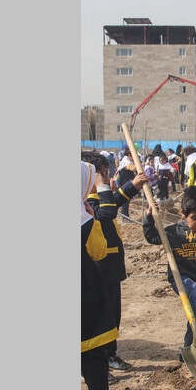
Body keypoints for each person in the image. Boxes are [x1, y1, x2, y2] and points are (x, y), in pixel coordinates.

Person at [82, 151, 148, 372]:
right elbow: (108, 211)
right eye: (101, 174)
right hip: (98, 268)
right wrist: (101, 185)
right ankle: (100, 359)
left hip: (110, 268)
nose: (105, 177)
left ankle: (109, 353)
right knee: (100, 315)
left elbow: (114, 201)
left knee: (112, 313)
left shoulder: (98, 198)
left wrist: (134, 185)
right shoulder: (85, 203)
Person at [141, 186, 196, 354]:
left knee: (193, 314)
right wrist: (149, 218)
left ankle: (188, 350)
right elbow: (152, 237)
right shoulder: (173, 232)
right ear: (183, 214)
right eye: (194, 218)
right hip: (180, 277)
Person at [81, 161, 118, 390]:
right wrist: (91, 216)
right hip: (85, 292)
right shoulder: (83, 220)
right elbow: (99, 251)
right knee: (92, 354)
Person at [114, 150, 138, 217]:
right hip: (125, 182)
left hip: (126, 181)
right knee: (125, 199)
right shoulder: (126, 161)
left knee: (126, 199)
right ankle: (125, 216)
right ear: (130, 154)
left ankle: (125, 215)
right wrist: (139, 166)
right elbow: (133, 168)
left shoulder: (126, 161)